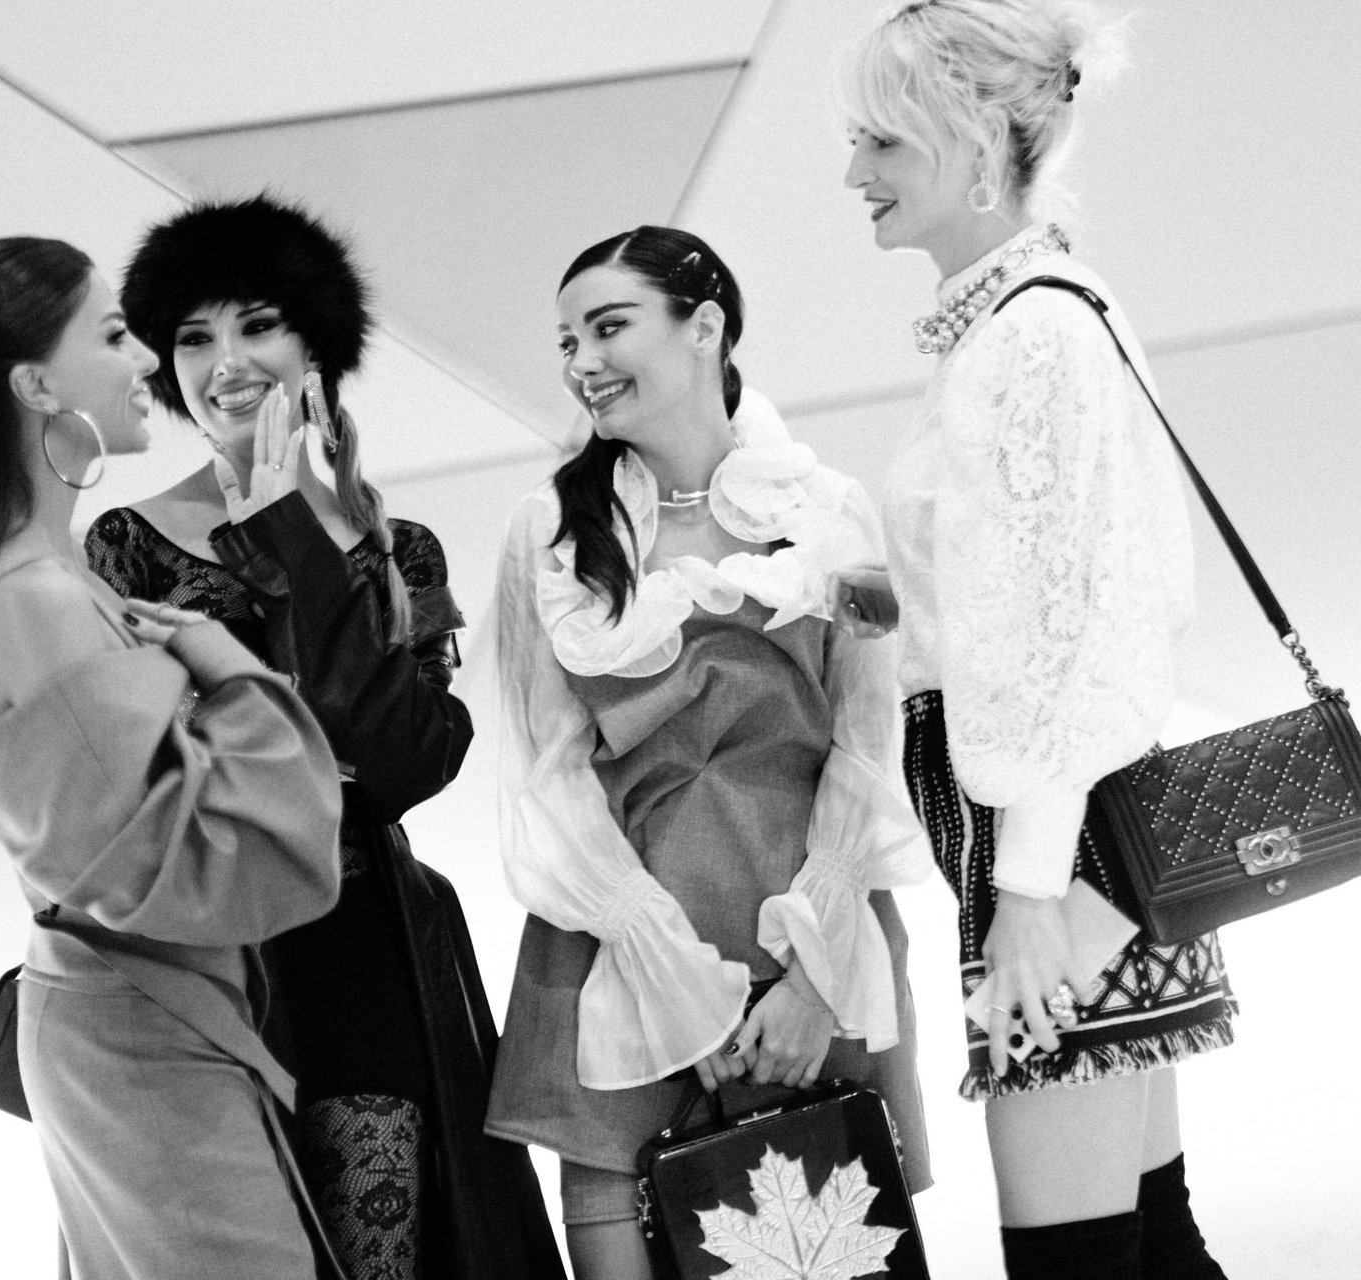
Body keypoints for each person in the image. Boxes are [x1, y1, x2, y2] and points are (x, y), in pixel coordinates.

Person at [86, 195, 563, 1280]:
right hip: (210, 959)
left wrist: (292, 536)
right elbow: (145, 780)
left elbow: (405, 765)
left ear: (316, 346)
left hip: (364, 950)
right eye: (194, 337)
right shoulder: (125, 544)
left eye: (257, 324)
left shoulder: (402, 550)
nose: (225, 362)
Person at [842, 4, 1236, 1277]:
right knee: (1153, 1244)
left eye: (880, 142)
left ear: (967, 142)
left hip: (1055, 856)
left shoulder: (1032, 335)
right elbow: (1038, 589)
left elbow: (1069, 632)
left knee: (1084, 1259)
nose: (855, 173)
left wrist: (1025, 893)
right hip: (1074, 843)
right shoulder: (1030, 317)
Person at [0, 236, 347, 1279]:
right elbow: (222, 866)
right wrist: (236, 675)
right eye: (117, 335)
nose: (144, 363)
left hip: (139, 1018)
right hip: (142, 1032)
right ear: (37, 385)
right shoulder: (37, 596)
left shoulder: (44, 573)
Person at [483, 224, 935, 1280]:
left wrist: (813, 979)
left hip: (810, 938)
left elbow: (871, 739)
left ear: (705, 327)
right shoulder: (550, 532)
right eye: (568, 342)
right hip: (619, 945)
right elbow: (545, 774)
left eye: (609, 327)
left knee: (826, 1256)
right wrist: (672, 975)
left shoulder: (830, 513)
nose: (583, 361)